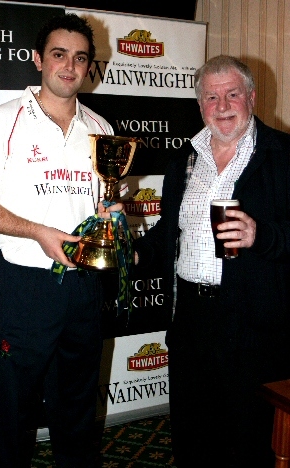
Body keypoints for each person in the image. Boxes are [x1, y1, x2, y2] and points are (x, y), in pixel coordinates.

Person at [0, 13, 124, 468]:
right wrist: (37, 232)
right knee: (13, 407)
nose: (69, 67)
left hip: (84, 286)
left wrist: (109, 217)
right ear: (38, 59)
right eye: (59, 55)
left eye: (80, 58)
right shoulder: (2, 121)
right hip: (26, 284)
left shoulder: (102, 129)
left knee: (77, 405)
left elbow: (102, 205)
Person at [133, 55, 290, 467]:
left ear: (252, 98)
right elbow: (170, 232)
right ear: (199, 104)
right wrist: (131, 250)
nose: (222, 106)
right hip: (191, 317)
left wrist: (263, 235)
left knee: (248, 435)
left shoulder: (283, 156)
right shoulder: (183, 162)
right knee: (192, 429)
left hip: (254, 321)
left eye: (232, 94)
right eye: (211, 97)